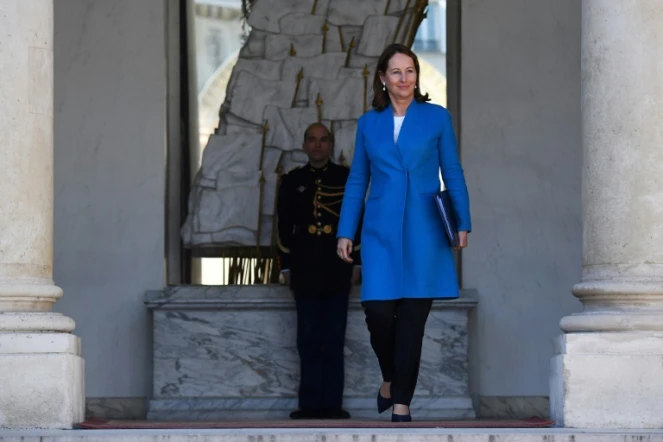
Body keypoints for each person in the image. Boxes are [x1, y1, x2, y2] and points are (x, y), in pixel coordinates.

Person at [336, 43, 471, 423]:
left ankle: (401, 406)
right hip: (379, 232)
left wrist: (462, 221)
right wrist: (346, 230)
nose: (404, 78)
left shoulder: (437, 118)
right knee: (377, 311)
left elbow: (453, 172)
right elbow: (358, 179)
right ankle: (391, 380)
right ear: (383, 78)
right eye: (396, 72)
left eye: (410, 70)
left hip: (425, 231)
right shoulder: (369, 124)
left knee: (412, 320)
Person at [276, 122, 362, 420]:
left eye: (323, 140)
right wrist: (285, 265)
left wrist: (357, 262)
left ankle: (332, 405)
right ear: (304, 144)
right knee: (309, 339)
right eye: (312, 139)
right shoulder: (292, 181)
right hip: (304, 268)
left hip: (338, 267)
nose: (317, 145)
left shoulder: (346, 178)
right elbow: (283, 227)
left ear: (330, 144)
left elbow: (358, 221)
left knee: (334, 338)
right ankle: (310, 405)